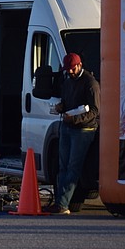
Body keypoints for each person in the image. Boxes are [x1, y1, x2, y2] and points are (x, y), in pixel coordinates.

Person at [47, 52, 100, 215]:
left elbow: (96, 110)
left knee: (73, 167)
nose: (69, 72)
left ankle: (63, 204)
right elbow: (66, 101)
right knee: (63, 166)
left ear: (79, 65)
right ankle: (60, 202)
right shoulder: (67, 81)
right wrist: (61, 107)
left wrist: (75, 119)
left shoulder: (91, 84)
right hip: (67, 127)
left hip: (84, 130)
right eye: (67, 69)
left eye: (71, 69)